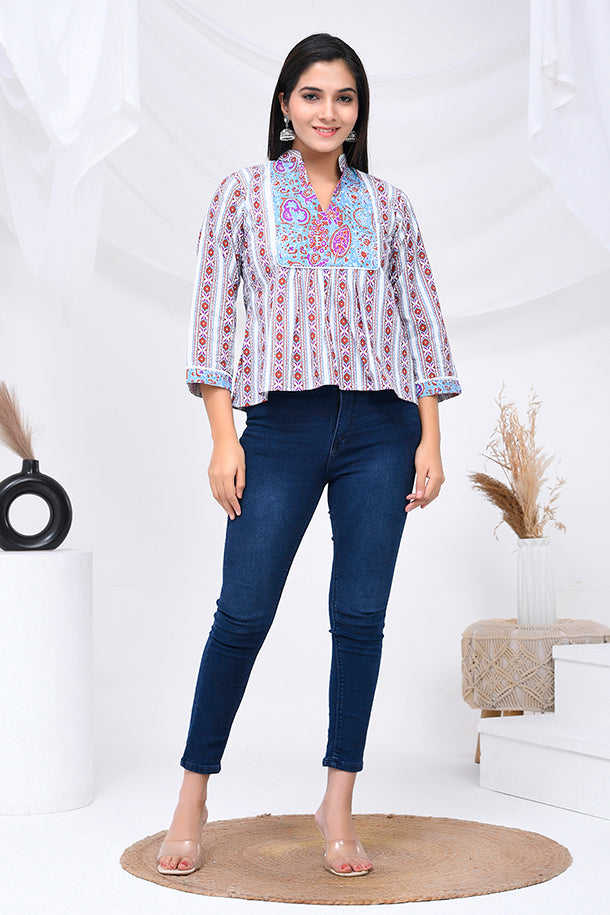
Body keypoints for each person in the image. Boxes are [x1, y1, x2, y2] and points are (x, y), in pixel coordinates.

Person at [157, 32, 461, 879]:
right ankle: (192, 793)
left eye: (345, 97)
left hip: (380, 429)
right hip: (281, 429)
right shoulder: (243, 194)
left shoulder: (389, 205)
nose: (329, 112)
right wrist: (224, 437)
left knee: (359, 616)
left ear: (360, 112)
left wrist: (431, 438)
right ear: (287, 106)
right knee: (243, 612)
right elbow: (212, 317)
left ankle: (339, 800)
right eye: (313, 95)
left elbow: (422, 318)